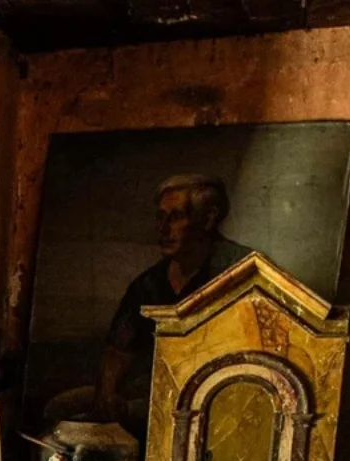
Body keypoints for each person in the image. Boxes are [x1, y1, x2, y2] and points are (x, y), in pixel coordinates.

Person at [78, 175, 257, 426]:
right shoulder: (149, 284)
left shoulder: (242, 272)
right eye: (160, 217)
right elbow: (118, 349)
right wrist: (107, 392)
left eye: (175, 217)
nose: (163, 229)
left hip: (224, 403)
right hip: (158, 397)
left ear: (208, 219)